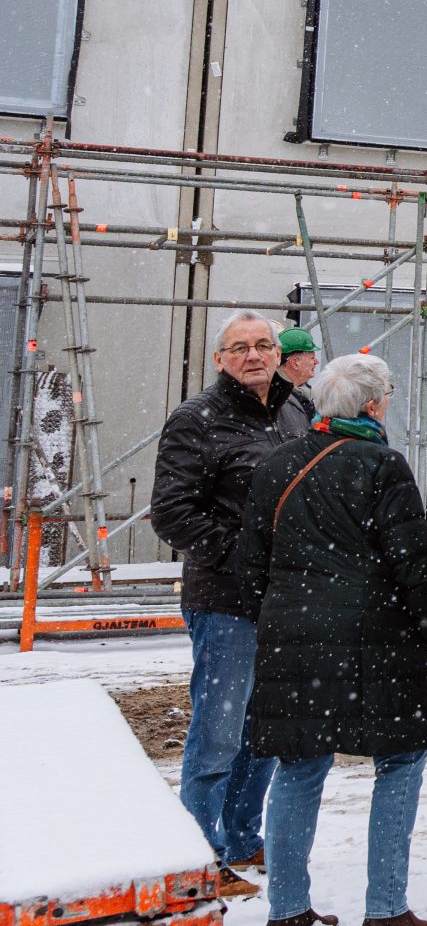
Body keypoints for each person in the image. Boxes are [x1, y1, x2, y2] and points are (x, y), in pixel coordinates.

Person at [235, 354, 427, 926]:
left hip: (292, 642)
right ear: (375, 406)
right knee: (400, 760)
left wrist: (282, 619)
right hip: (375, 641)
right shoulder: (381, 465)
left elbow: (250, 566)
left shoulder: (277, 464)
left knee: (299, 767)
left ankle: (286, 913)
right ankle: (385, 911)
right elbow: (416, 562)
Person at [150, 309, 297, 893]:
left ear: (278, 354)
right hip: (226, 599)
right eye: (239, 348)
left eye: (263, 344)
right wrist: (244, 556)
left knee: (265, 727)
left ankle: (241, 834)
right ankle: (201, 852)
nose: (253, 355)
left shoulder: (293, 411)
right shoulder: (196, 420)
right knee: (218, 728)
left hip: (285, 600)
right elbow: (173, 512)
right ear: (219, 359)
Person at [277, 327, 320, 432]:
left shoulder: (306, 394)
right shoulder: (277, 398)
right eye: (312, 358)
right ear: (295, 362)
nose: (316, 362)